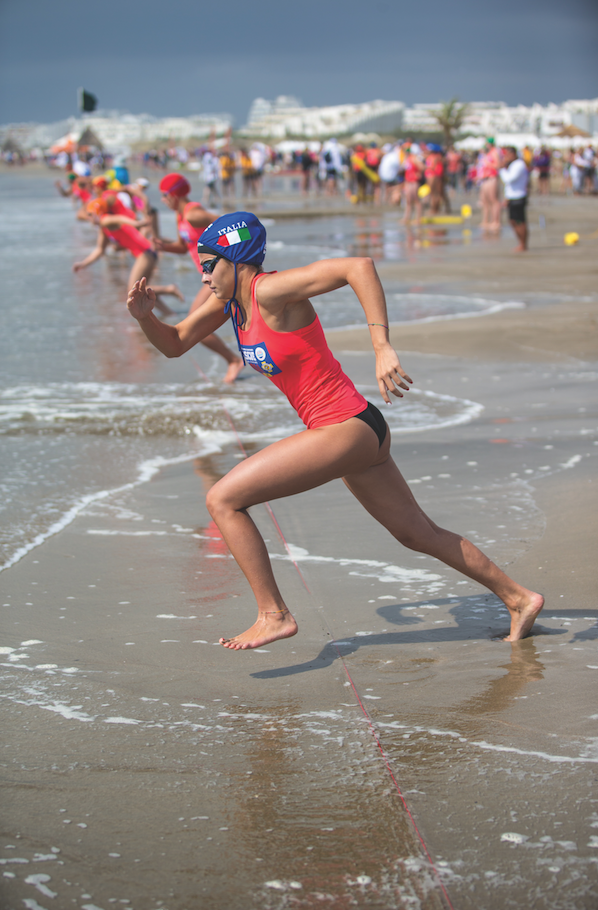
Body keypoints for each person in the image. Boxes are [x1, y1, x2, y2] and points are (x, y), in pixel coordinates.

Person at [126, 211, 544, 650]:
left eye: (209, 264)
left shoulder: (269, 290)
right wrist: (144, 318)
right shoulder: (230, 303)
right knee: (417, 533)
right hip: (357, 431)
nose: (203, 275)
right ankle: (518, 598)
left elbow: (357, 267)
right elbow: (174, 344)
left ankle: (274, 615)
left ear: (237, 258)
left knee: (223, 498)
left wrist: (381, 346)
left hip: (344, 426)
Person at [154, 173, 244, 382]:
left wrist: (233, 259)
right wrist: (162, 246)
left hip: (222, 274)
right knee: (197, 325)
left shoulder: (193, 214)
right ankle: (236, 359)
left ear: (175, 194)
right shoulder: (180, 216)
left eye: (165, 195)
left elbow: (232, 227)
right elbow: (183, 247)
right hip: (210, 276)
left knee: (194, 326)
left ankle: (234, 360)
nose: (162, 200)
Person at [73, 196, 183, 314]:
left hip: (145, 253)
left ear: (97, 212)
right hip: (146, 253)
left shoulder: (105, 219)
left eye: (90, 214)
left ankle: (170, 289)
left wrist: (136, 223)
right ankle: (170, 314)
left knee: (134, 290)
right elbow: (100, 250)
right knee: (143, 292)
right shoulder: (104, 228)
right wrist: (83, 264)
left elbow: (120, 218)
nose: (88, 218)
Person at [499, 147, 529, 252]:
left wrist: (502, 169)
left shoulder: (519, 164)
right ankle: (520, 243)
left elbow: (509, 179)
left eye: (507, 154)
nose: (505, 157)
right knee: (513, 221)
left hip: (519, 196)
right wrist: (506, 198)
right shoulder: (513, 165)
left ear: (513, 154)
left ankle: (523, 244)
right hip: (512, 197)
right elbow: (509, 186)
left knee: (520, 221)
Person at [477, 138, 501, 231]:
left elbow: (498, 165)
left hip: (492, 177)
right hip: (484, 178)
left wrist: (488, 164)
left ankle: (496, 221)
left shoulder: (495, 152)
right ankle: (485, 220)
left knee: (493, 200)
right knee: (485, 200)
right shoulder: (487, 153)